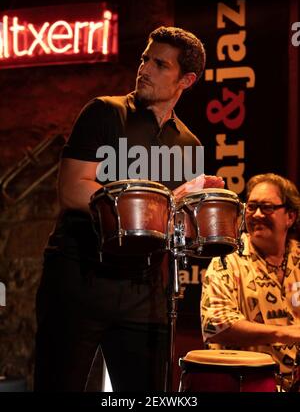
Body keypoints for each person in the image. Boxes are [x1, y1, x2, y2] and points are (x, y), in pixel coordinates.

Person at [34, 26, 224, 392]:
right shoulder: (104, 112)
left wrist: (192, 205)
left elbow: (172, 227)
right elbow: (73, 189)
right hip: (80, 277)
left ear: (186, 79)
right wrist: (160, 202)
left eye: (160, 64)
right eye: (144, 59)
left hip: (144, 289)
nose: (145, 69)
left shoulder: (189, 143)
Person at [201, 173, 300, 390]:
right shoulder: (227, 258)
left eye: (266, 207)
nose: (256, 214)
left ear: (290, 216)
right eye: (251, 206)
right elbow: (216, 325)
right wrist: (285, 333)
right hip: (243, 384)